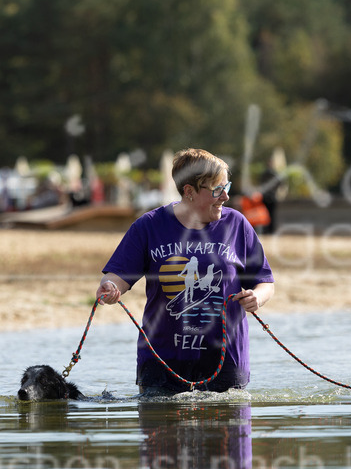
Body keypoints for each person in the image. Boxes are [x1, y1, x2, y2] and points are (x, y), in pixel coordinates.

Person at [97, 149, 275, 395]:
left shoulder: (237, 225)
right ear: (189, 191)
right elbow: (117, 277)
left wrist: (257, 297)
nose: (225, 196)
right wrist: (109, 287)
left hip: (226, 361)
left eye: (227, 186)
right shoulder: (149, 226)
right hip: (162, 364)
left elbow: (265, 282)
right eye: (216, 190)